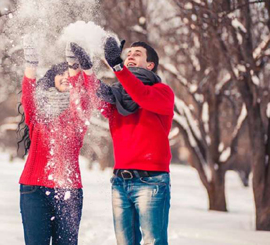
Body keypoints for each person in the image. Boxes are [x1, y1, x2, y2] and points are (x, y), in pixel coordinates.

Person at [17, 39, 96, 245]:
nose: (65, 76)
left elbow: (84, 95)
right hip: (33, 191)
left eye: (68, 73)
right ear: (51, 80)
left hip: (69, 191)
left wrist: (75, 66)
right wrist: (31, 66)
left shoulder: (78, 114)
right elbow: (28, 96)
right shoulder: (38, 114)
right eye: (60, 73)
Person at [97, 37, 175, 245]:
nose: (130, 56)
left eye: (137, 54)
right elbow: (96, 99)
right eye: (128, 54)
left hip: (152, 182)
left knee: (153, 242)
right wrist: (84, 69)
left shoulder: (162, 93)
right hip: (120, 182)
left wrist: (118, 67)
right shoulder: (117, 97)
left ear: (150, 65)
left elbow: (141, 95)